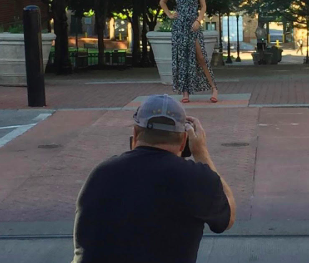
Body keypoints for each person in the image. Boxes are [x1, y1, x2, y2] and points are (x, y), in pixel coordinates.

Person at [72, 94, 236, 263]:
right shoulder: (197, 178)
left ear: (135, 134)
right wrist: (201, 152)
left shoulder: (101, 174)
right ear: (184, 141)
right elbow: (228, 217)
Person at [160, 0, 218, 104]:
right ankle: (185, 92)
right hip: (179, 26)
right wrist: (169, 14)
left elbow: (203, 6)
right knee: (183, 59)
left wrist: (199, 20)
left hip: (193, 26)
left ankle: (214, 88)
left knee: (201, 57)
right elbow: (162, 2)